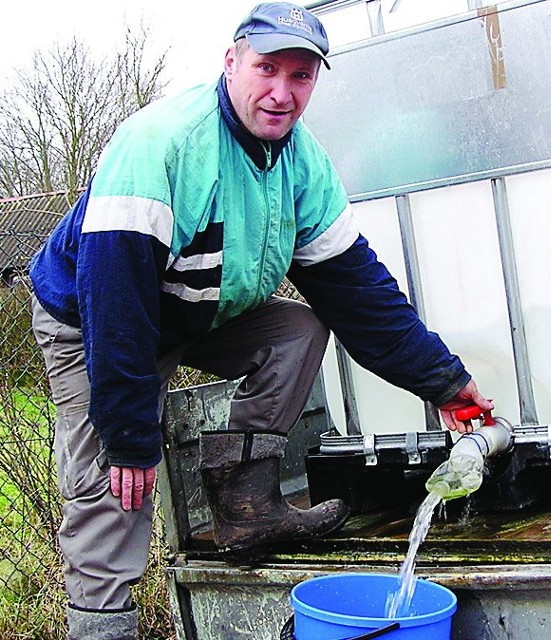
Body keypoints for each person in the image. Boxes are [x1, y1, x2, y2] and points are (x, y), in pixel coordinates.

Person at [29, 3, 493, 638]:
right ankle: (103, 626)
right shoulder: (161, 147)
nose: (281, 93)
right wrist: (131, 436)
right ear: (230, 62)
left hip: (197, 311)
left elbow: (359, 294)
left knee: (297, 331)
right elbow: (117, 309)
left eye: (300, 76)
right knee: (118, 484)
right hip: (96, 320)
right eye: (266, 69)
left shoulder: (302, 165)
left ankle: (246, 507)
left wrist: (444, 383)